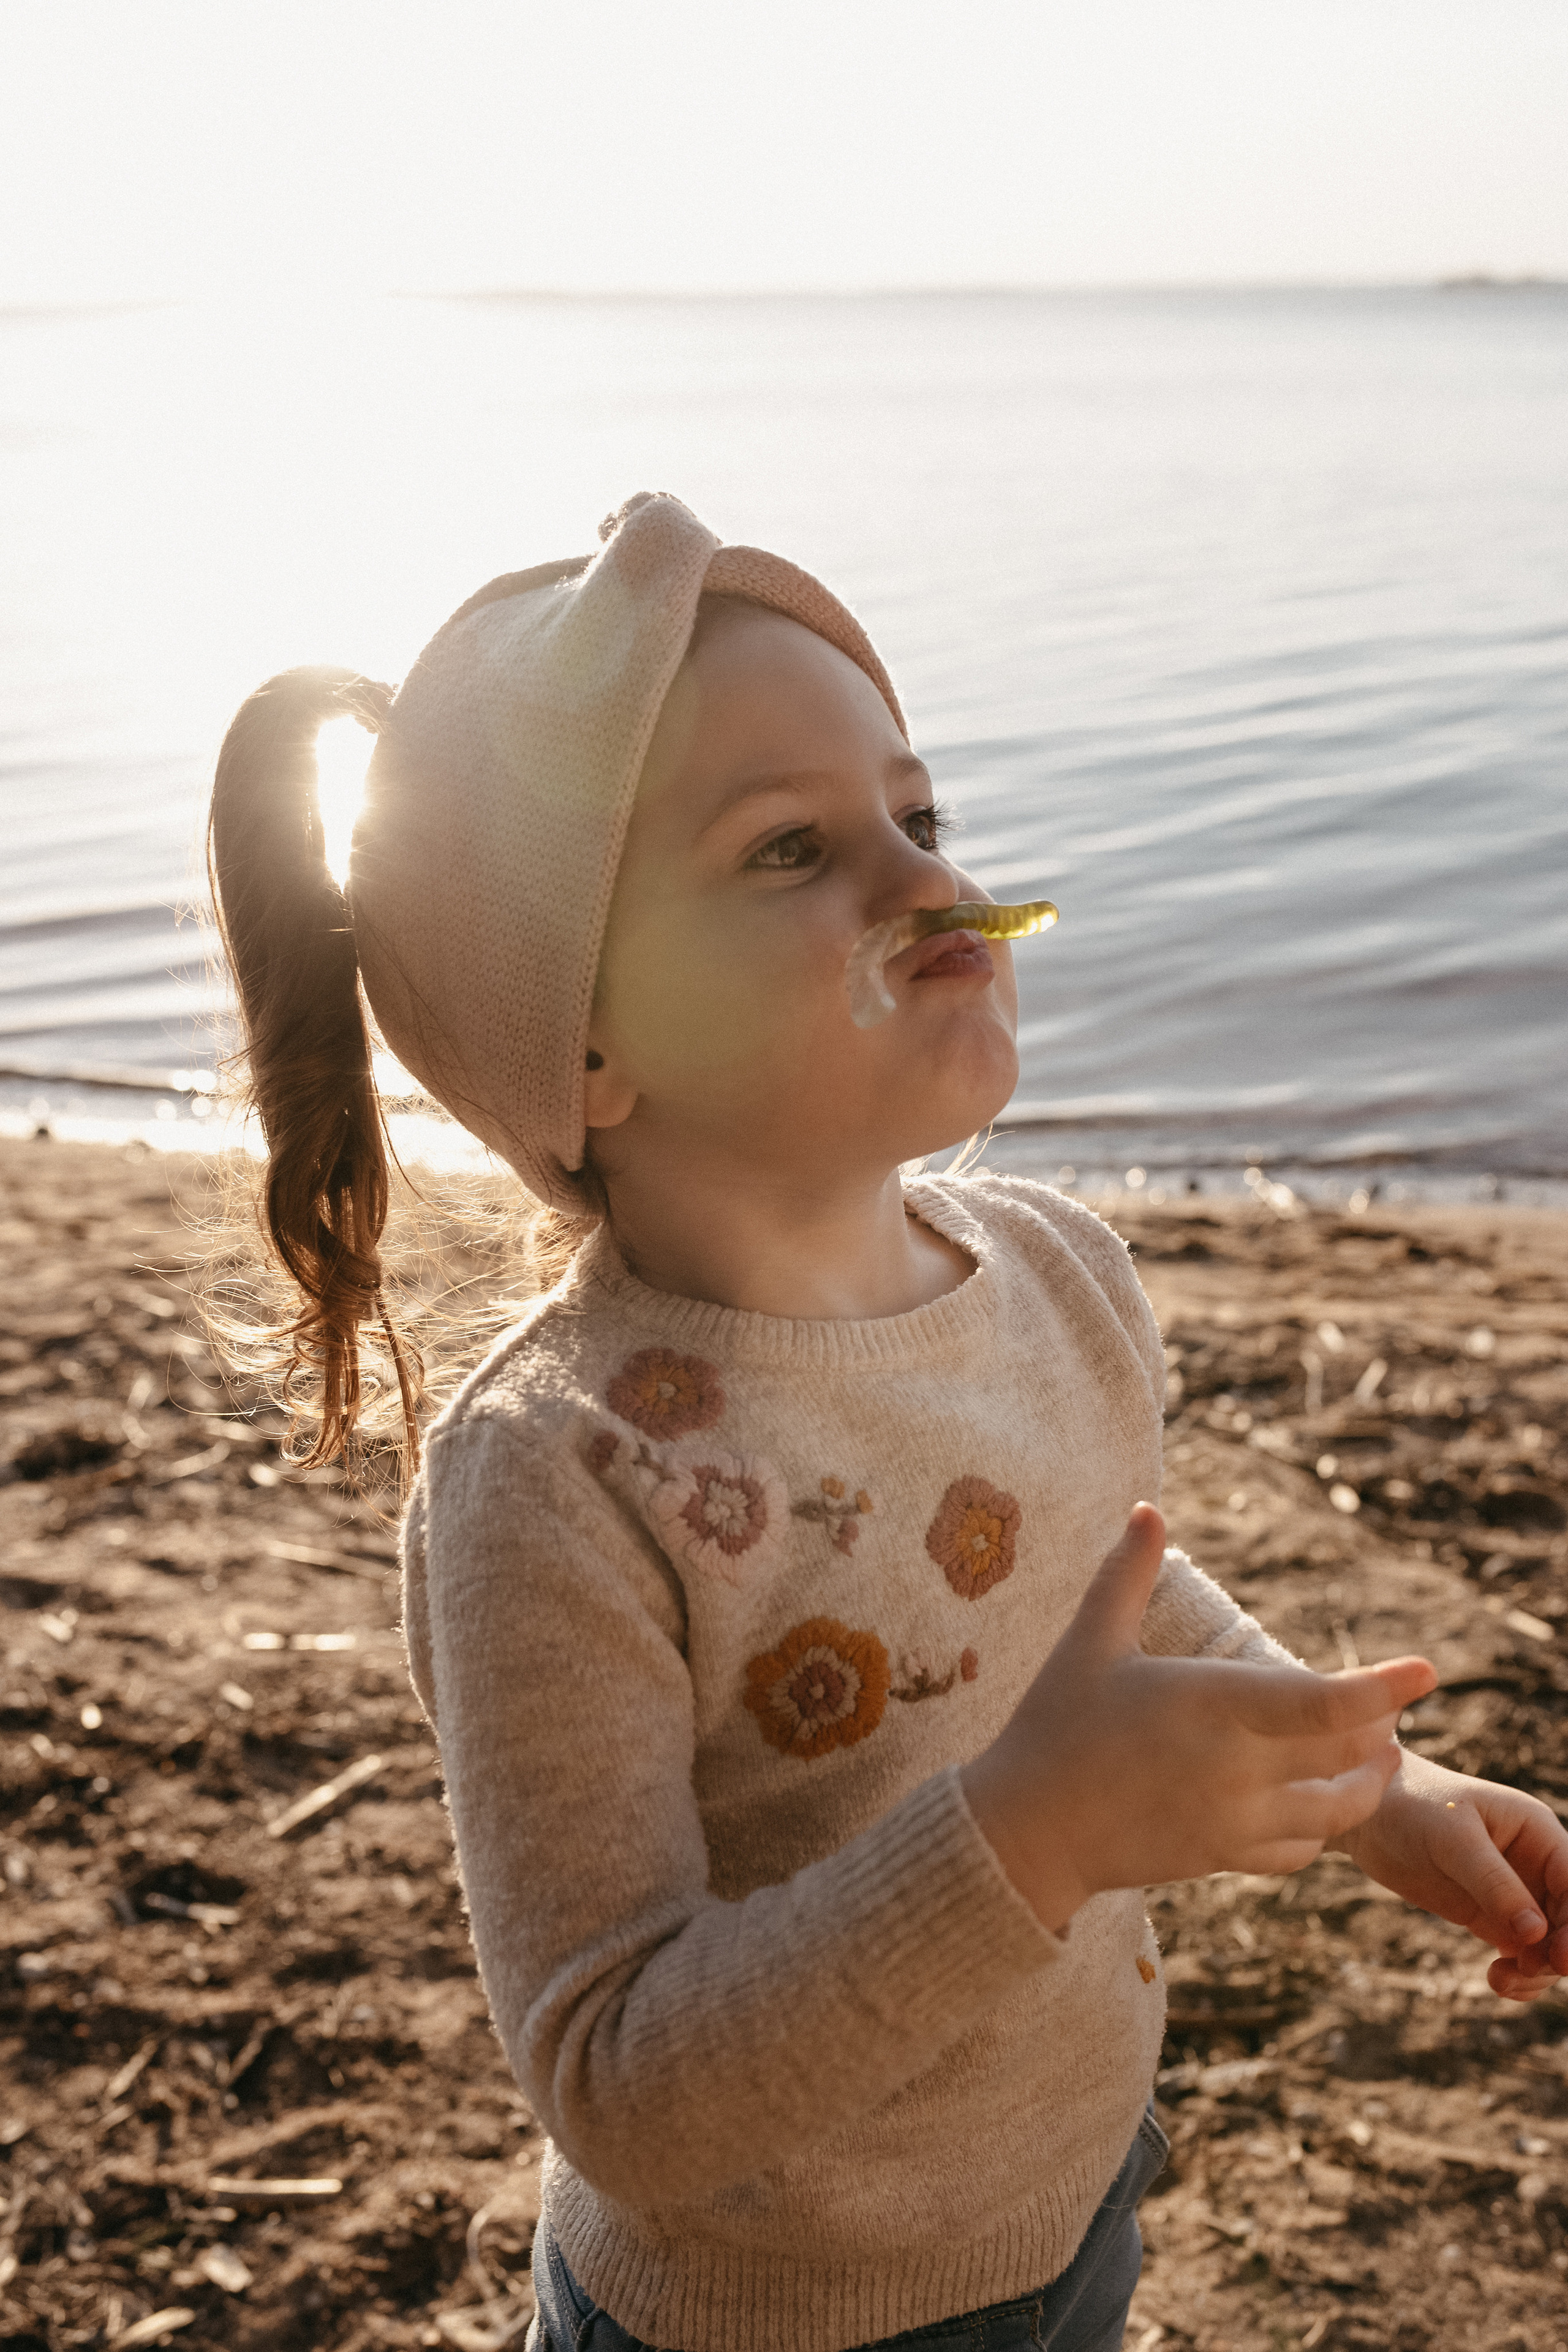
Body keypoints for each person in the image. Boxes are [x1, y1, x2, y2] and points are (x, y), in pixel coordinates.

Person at [206, 493, 1568, 2352]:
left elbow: (1111, 1591)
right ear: (580, 1047)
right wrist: (1033, 1835)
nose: (930, 886)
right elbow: (617, 2077)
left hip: (1069, 2201)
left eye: (919, 820)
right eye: (789, 852)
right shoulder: (560, 1474)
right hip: (760, 2313)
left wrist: (1375, 1791)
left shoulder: (1058, 1275)